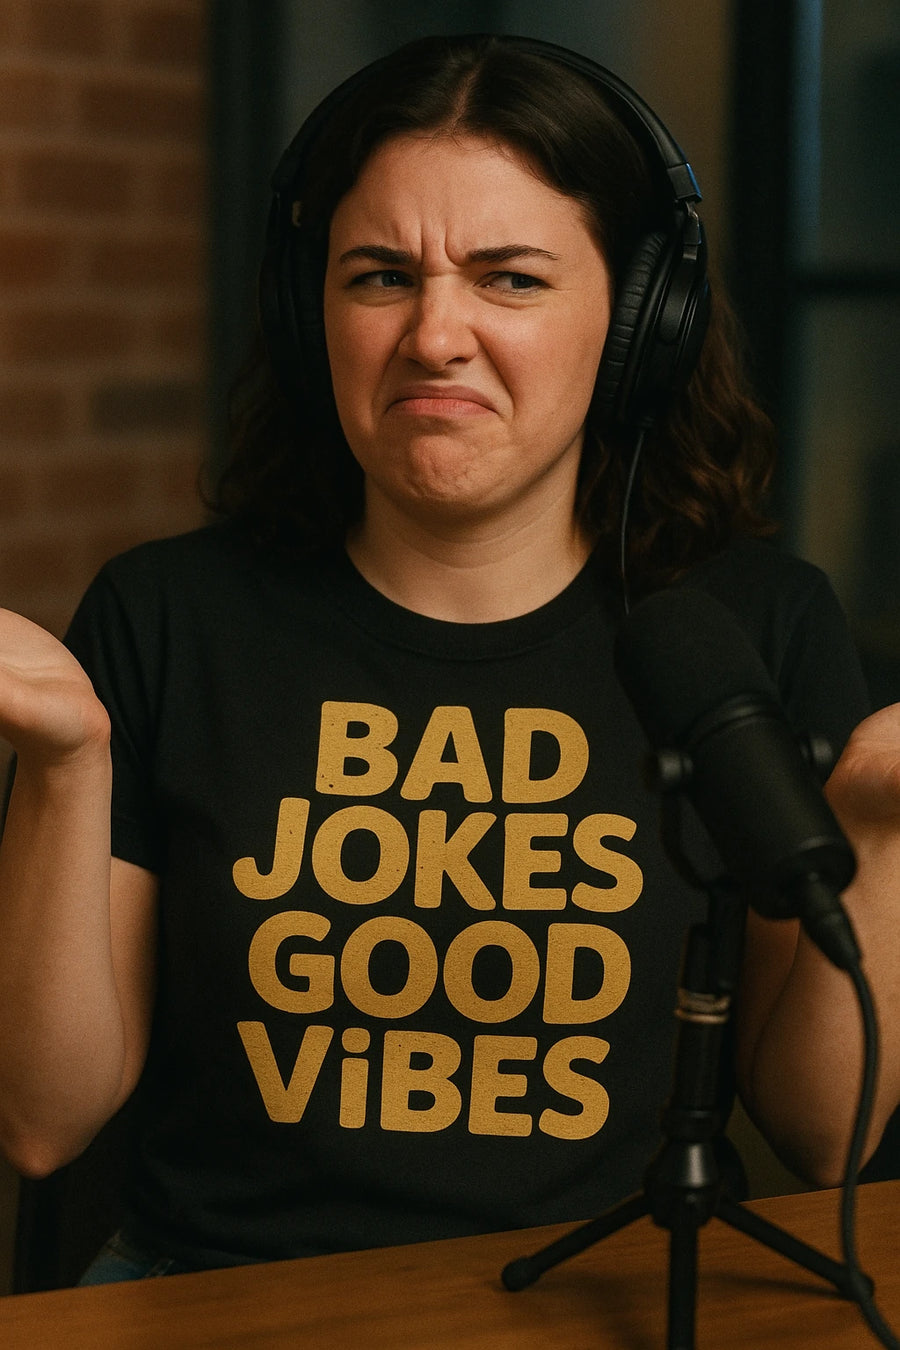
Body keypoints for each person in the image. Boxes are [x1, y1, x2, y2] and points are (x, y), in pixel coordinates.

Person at [1, 32, 899, 1285]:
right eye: (378, 276)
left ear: (639, 323)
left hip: (596, 1297)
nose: (434, 335)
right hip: (220, 1305)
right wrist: (67, 763)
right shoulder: (164, 618)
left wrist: (879, 836)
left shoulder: (756, 628)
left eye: (510, 279)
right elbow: (44, 1124)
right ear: (312, 309)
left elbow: (824, 1143)